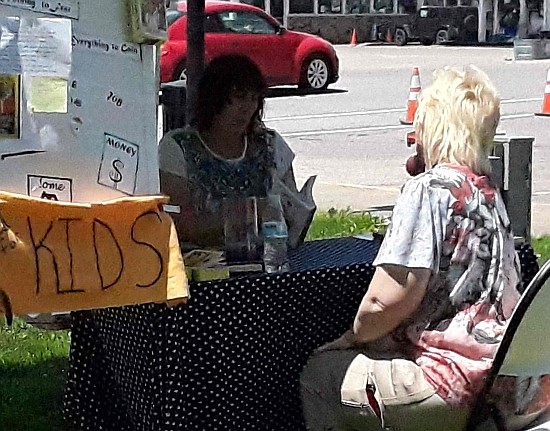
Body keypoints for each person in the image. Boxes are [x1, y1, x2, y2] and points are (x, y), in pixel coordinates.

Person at [300, 66, 523, 431]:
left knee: (320, 373)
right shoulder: (490, 193)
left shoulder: (428, 189)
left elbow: (389, 298)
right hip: (507, 383)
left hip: (451, 384)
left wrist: (351, 338)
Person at [158, 55, 316, 251]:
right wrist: (246, 216)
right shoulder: (178, 147)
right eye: (238, 97)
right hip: (204, 265)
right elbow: (176, 221)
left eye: (254, 98)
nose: (246, 108)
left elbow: (290, 209)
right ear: (213, 98)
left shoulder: (270, 144)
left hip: (266, 258)